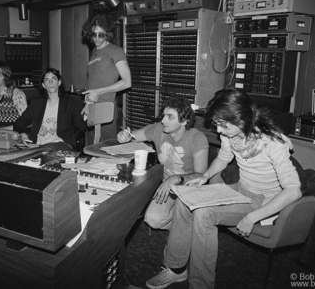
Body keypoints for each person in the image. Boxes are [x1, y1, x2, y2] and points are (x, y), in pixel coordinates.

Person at [145, 88, 302, 289]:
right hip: (239, 189)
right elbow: (223, 158)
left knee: (204, 214)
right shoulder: (232, 135)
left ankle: (201, 285)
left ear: (242, 118)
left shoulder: (273, 142)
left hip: (262, 200)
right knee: (186, 199)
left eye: (223, 125)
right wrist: (204, 176)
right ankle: (176, 270)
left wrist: (252, 217)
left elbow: (293, 190)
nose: (219, 131)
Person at [117, 97, 209, 230]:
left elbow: (201, 175)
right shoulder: (158, 129)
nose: (163, 120)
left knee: (179, 214)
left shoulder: (197, 137)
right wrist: (124, 137)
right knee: (153, 219)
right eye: (163, 115)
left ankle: (187, 225)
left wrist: (176, 178)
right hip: (166, 186)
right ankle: (186, 225)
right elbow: (131, 137)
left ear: (184, 120)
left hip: (189, 187)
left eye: (169, 117)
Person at [82, 13, 132, 145]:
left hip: (105, 109)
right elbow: (95, 80)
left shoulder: (116, 51)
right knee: (90, 150)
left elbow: (127, 82)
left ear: (107, 34)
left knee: (106, 151)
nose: (97, 38)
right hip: (91, 108)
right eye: (94, 34)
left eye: (101, 34)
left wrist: (98, 92)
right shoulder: (94, 51)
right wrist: (87, 103)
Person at [13, 68, 86, 151]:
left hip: (61, 144)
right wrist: (23, 133)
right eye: (47, 80)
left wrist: (86, 113)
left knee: (46, 151)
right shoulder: (37, 103)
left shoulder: (69, 102)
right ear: (43, 85)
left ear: (59, 82)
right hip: (38, 145)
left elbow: (81, 127)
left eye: (54, 79)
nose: (50, 82)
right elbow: (19, 123)